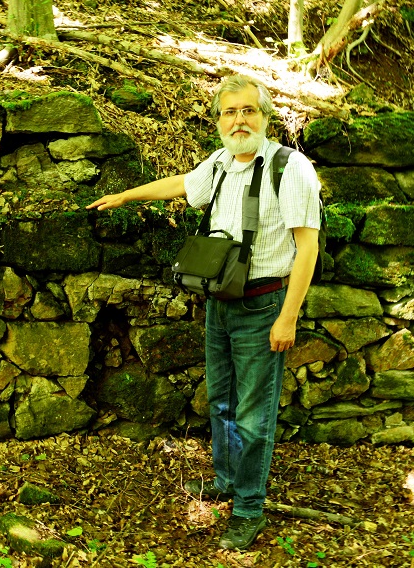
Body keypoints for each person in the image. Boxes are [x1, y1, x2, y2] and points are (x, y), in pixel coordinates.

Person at [87, 75, 321, 550]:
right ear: (218, 121)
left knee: (254, 415)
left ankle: (249, 508)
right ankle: (226, 481)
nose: (239, 120)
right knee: (221, 402)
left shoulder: (289, 167)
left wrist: (288, 317)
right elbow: (181, 184)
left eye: (248, 110)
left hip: (263, 304)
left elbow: (308, 246)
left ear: (265, 117)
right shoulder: (219, 163)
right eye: (230, 112)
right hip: (219, 301)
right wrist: (127, 195)